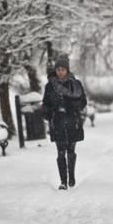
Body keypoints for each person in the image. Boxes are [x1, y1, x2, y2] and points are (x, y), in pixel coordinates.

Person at [42, 54, 87, 190]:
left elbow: (83, 102)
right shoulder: (50, 86)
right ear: (55, 70)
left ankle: (71, 177)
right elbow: (45, 104)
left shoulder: (76, 84)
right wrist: (50, 112)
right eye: (58, 69)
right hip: (58, 122)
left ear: (67, 70)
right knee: (60, 151)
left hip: (72, 120)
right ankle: (63, 182)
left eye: (63, 69)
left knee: (71, 151)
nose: (60, 71)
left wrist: (74, 106)